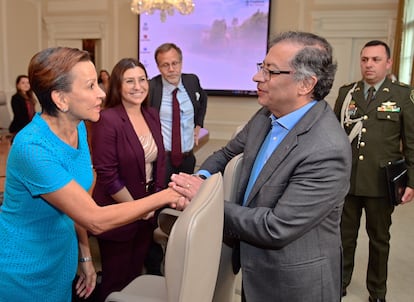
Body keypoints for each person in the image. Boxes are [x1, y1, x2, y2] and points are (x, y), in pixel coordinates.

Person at [170, 31, 352, 302]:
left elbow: (276, 227)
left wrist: (204, 198)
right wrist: (199, 179)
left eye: (271, 72)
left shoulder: (326, 149)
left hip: (294, 284)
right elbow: (225, 153)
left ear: (305, 84)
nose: (257, 78)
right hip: (255, 271)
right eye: (261, 68)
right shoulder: (267, 115)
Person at [0, 47, 183, 302]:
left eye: (98, 82)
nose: (102, 93)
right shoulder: (32, 147)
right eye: (90, 86)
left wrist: (85, 255)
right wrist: (168, 195)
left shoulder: (79, 130)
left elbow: (80, 201)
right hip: (24, 273)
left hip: (61, 261)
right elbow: (95, 218)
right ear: (61, 99)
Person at [333, 40, 414, 302]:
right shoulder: (348, 93)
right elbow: (334, 137)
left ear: (388, 63)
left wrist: (412, 181)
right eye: (365, 59)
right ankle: (340, 281)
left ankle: (377, 291)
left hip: (382, 182)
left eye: (376, 59)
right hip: (348, 180)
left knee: (379, 240)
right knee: (344, 237)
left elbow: (411, 141)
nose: (369, 64)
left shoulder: (402, 95)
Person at [91, 58, 166, 301]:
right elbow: (107, 174)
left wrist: (152, 204)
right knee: (115, 280)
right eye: (129, 81)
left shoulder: (151, 115)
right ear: (118, 86)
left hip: (146, 211)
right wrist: (137, 208)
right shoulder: (108, 119)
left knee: (135, 274)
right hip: (118, 211)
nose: (138, 86)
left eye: (142, 79)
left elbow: (159, 164)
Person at [149, 42, 208, 185]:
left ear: (181, 63)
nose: (171, 69)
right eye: (165, 65)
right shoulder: (152, 87)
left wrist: (198, 124)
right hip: (163, 159)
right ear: (158, 67)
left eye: (175, 63)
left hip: (188, 157)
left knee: (185, 200)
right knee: (161, 200)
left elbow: (203, 100)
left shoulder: (192, 81)